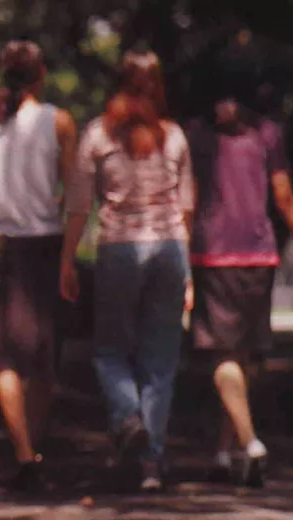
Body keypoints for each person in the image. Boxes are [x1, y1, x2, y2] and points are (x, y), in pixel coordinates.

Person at [60, 50, 195, 491]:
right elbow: (186, 207)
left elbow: (79, 204)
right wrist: (188, 271)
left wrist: (67, 260)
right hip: (169, 248)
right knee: (160, 359)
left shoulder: (98, 135)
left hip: (119, 248)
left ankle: (127, 417)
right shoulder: (173, 136)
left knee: (110, 351)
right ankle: (151, 464)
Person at [186, 56, 293, 486]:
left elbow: (188, 201)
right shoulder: (267, 133)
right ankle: (224, 454)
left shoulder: (197, 135)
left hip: (212, 257)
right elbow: (285, 197)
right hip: (259, 257)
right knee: (244, 357)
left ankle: (249, 441)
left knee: (225, 357)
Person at [0, 40, 78, 491]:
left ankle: (24, 454)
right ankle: (36, 450)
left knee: (4, 358)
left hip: (0, 245)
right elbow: (73, 192)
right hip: (44, 245)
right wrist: (47, 209)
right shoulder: (58, 121)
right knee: (42, 357)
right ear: (41, 74)